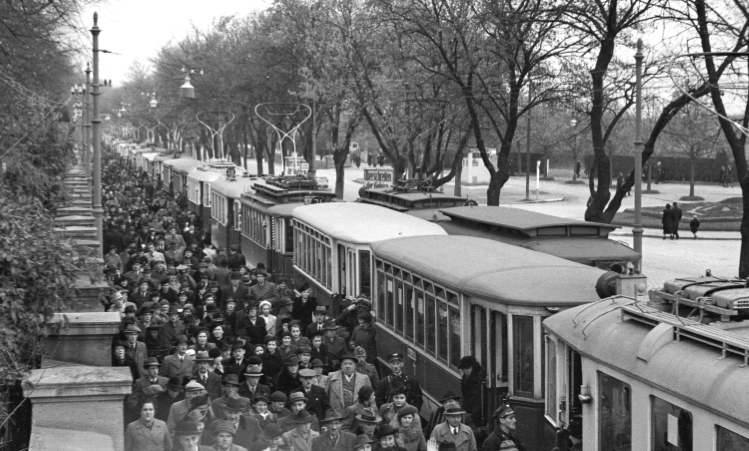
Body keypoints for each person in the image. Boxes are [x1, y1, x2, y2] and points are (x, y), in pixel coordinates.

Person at [458, 356, 483, 427]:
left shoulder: (477, 379)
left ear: (471, 368)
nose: (464, 371)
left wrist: (472, 413)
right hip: (470, 411)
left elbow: (477, 399)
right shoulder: (466, 378)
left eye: (465, 369)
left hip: (475, 413)